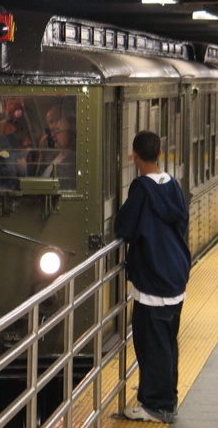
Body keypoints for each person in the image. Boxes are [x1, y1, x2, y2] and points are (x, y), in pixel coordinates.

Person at [115, 130, 191, 424]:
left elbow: (124, 227)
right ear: (159, 153)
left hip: (153, 281)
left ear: (135, 156)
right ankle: (164, 398)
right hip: (175, 275)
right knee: (168, 343)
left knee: (153, 345)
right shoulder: (173, 185)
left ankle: (156, 407)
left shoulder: (140, 189)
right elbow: (180, 222)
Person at [38, 115, 76, 190]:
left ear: (69, 133)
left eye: (58, 131)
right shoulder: (54, 155)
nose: (52, 135)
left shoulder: (71, 162)